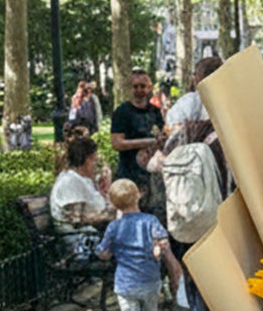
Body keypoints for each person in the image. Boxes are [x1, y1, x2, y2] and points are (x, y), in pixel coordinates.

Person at [162, 118, 229, 311]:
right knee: (217, 283)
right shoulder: (220, 138)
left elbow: (153, 164)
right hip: (213, 220)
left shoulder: (179, 137)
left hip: (183, 221)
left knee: (196, 283)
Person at [96, 178, 180, 311]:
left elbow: (103, 252)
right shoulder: (150, 221)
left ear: (114, 203)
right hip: (149, 278)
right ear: (138, 196)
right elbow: (163, 242)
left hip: (124, 281)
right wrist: (160, 252)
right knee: (150, 310)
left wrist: (107, 253)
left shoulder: (114, 227)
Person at [109, 70, 165, 207]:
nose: (139, 90)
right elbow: (117, 143)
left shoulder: (155, 112)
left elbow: (160, 134)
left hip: (151, 174)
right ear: (130, 88)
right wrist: (148, 142)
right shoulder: (122, 112)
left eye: (143, 86)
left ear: (150, 88)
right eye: (135, 86)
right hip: (129, 173)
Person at [50, 134, 113, 245]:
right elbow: (76, 220)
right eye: (94, 160)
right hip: (80, 240)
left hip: (92, 234)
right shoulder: (69, 181)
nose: (96, 165)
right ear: (85, 160)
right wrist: (108, 217)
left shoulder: (83, 179)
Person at [164, 56, 223, 132]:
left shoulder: (188, 101)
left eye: (195, 74)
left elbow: (173, 126)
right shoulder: (189, 101)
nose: (193, 78)